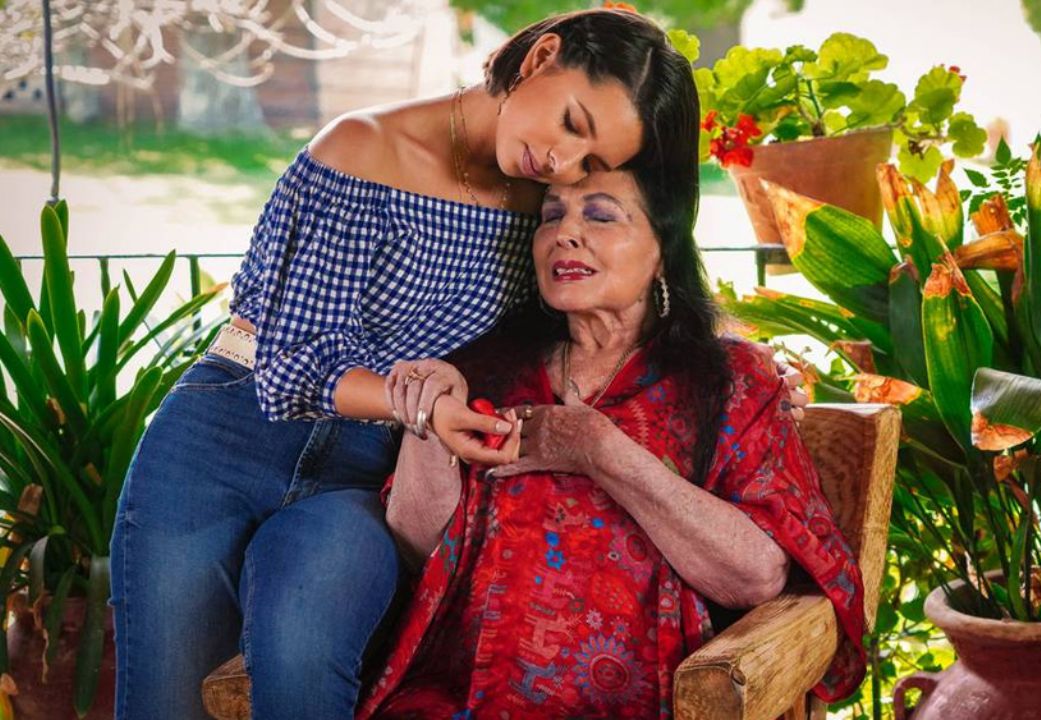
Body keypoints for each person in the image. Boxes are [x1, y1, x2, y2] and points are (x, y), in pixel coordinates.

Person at [108, 10, 712, 719]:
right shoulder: (363, 148)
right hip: (226, 434)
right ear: (541, 56)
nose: (563, 163)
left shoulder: (546, 209)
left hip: (373, 470)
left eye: (590, 161)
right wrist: (421, 403)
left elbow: (628, 276)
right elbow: (289, 367)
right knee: (166, 702)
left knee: (306, 661)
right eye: (572, 124)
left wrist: (732, 356)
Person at [359, 161, 867, 717]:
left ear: (663, 251)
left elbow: (757, 575)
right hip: (455, 699)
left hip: (639, 702)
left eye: (600, 216)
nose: (564, 233)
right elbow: (418, 544)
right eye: (551, 215)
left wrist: (598, 449)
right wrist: (428, 417)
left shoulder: (730, 381)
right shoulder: (489, 370)